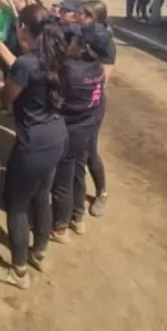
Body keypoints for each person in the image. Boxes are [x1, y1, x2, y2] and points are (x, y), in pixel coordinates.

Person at [0, 5, 69, 288]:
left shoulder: (26, 65)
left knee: (17, 205)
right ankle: (39, 252)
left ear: (23, 28)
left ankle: (19, 270)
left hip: (32, 144)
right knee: (41, 195)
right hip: (56, 136)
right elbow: (28, 69)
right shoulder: (54, 53)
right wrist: (3, 52)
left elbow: (6, 98)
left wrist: (0, 83)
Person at [48, 23, 104, 241]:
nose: (66, 42)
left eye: (71, 40)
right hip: (86, 127)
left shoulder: (68, 70)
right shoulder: (96, 67)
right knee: (78, 171)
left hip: (69, 129)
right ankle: (77, 217)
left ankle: (60, 227)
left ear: (81, 47)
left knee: (63, 177)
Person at [80, 0, 113, 217]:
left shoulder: (102, 40)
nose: (79, 16)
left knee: (89, 151)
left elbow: (103, 79)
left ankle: (102, 192)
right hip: (76, 100)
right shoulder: (83, 34)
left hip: (91, 103)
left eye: (85, 14)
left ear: (95, 18)